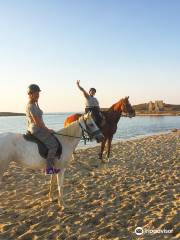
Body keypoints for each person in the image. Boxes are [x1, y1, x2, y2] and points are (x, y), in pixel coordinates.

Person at [26, 84, 59, 174]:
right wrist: (47, 130)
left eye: (38, 94)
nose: (38, 96)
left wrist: (47, 129)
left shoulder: (35, 104)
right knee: (53, 145)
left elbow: (40, 121)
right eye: (36, 94)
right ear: (30, 94)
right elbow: (37, 122)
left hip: (39, 128)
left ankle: (51, 164)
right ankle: (48, 168)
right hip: (36, 129)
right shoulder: (31, 106)